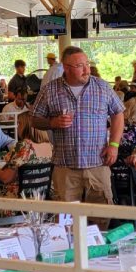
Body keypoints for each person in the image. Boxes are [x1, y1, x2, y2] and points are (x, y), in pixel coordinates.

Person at [32, 46, 125, 207]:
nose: (87, 69)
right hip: (65, 166)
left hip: (97, 163)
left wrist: (114, 145)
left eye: (87, 64)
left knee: (101, 216)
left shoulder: (102, 87)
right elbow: (34, 119)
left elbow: (118, 114)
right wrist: (52, 123)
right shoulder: (50, 90)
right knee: (65, 218)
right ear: (66, 68)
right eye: (80, 66)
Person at [0, 115, 53, 226]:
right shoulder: (50, 146)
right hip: (41, 196)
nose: (17, 126)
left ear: (27, 126)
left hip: (20, 199)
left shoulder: (24, 146)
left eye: (20, 123)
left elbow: (6, 178)